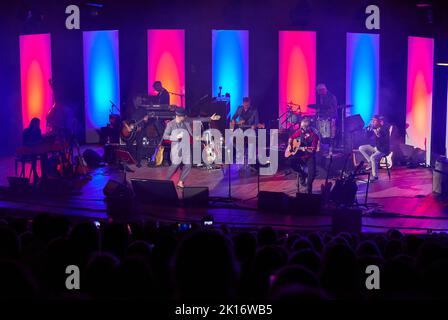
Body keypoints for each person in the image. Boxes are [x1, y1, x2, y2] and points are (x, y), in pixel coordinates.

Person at [163, 108, 220, 188]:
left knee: (188, 165)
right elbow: (165, 136)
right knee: (175, 165)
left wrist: (210, 118)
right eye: (183, 116)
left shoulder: (186, 121)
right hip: (176, 148)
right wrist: (175, 137)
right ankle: (165, 181)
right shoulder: (171, 124)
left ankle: (180, 182)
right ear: (179, 116)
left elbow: (197, 119)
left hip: (186, 147)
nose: (185, 117)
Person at [288, 117, 319, 194]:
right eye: (301, 127)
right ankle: (302, 174)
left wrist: (304, 149)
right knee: (290, 162)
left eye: (302, 127)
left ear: (308, 127)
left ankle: (308, 189)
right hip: (300, 156)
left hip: (309, 157)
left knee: (312, 174)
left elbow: (312, 150)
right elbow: (291, 137)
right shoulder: (300, 132)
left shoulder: (314, 136)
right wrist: (289, 144)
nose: (301, 129)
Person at [358, 115, 390, 181]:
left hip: (383, 149)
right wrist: (367, 129)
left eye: (374, 120)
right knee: (361, 148)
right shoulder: (374, 128)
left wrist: (377, 133)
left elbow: (384, 141)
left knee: (373, 157)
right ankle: (369, 162)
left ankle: (375, 177)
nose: (373, 122)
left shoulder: (384, 129)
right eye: (372, 120)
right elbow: (367, 137)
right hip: (376, 148)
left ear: (378, 121)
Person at [22, 118, 43, 182]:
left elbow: (39, 140)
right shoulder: (26, 131)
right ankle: (35, 174)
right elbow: (25, 142)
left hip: (36, 148)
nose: (38, 125)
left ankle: (44, 174)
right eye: (37, 124)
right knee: (33, 156)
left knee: (44, 155)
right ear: (33, 124)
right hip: (28, 150)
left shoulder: (38, 131)